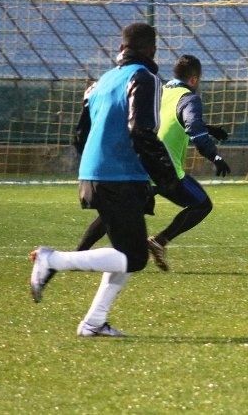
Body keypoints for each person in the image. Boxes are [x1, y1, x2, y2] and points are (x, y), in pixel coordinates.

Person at [28, 22, 182, 337]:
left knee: (124, 252)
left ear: (121, 48)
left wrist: (97, 164)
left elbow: (80, 135)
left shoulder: (100, 82)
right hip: (120, 174)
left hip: (95, 172)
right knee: (134, 257)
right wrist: (166, 176)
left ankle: (93, 323)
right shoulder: (145, 78)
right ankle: (52, 260)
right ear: (152, 50)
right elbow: (141, 130)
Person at [75, 54, 231, 272]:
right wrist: (214, 156)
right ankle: (159, 241)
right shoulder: (188, 98)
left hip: (139, 164)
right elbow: (192, 126)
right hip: (164, 169)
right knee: (202, 205)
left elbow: (170, 118)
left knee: (116, 212)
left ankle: (77, 255)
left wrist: (209, 129)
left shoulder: (159, 90)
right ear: (194, 79)